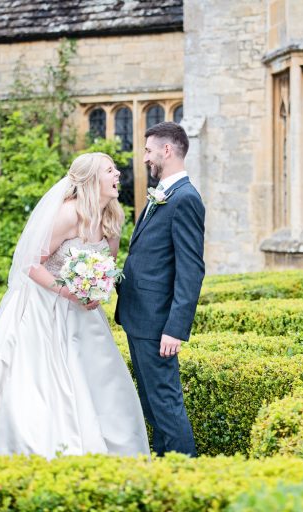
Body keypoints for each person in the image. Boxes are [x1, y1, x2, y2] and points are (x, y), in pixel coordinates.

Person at [0, 152, 150, 459]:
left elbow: (107, 264)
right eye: (110, 171)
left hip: (86, 312)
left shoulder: (113, 216)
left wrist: (98, 287)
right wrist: (67, 291)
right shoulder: (69, 214)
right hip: (46, 308)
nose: (118, 175)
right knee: (49, 382)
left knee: (99, 378)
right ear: (93, 180)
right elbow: (31, 263)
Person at [115, 122, 205, 457]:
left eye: (148, 150)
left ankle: (186, 474)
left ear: (167, 151)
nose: (145, 158)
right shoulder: (164, 193)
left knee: (165, 404)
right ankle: (167, 468)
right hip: (140, 318)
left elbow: (191, 269)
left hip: (157, 325)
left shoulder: (185, 199)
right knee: (153, 405)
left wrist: (175, 328)